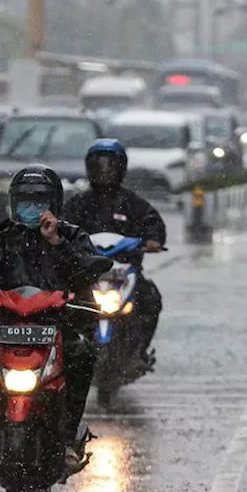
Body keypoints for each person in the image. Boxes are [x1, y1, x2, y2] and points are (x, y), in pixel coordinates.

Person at [0, 164, 99, 471]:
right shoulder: (3, 239)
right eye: (25, 201)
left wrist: (56, 244)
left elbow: (85, 272)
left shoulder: (73, 237)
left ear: (55, 205)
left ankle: (67, 441)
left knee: (83, 354)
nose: (31, 209)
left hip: (59, 325)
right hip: (9, 325)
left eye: (39, 202)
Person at [61, 138, 166, 363]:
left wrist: (153, 240)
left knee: (151, 300)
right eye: (99, 166)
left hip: (124, 272)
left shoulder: (133, 203)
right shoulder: (78, 204)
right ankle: (66, 355)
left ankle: (139, 353)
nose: (104, 172)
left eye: (110, 166)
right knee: (62, 304)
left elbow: (153, 222)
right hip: (85, 275)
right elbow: (61, 227)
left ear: (121, 168)